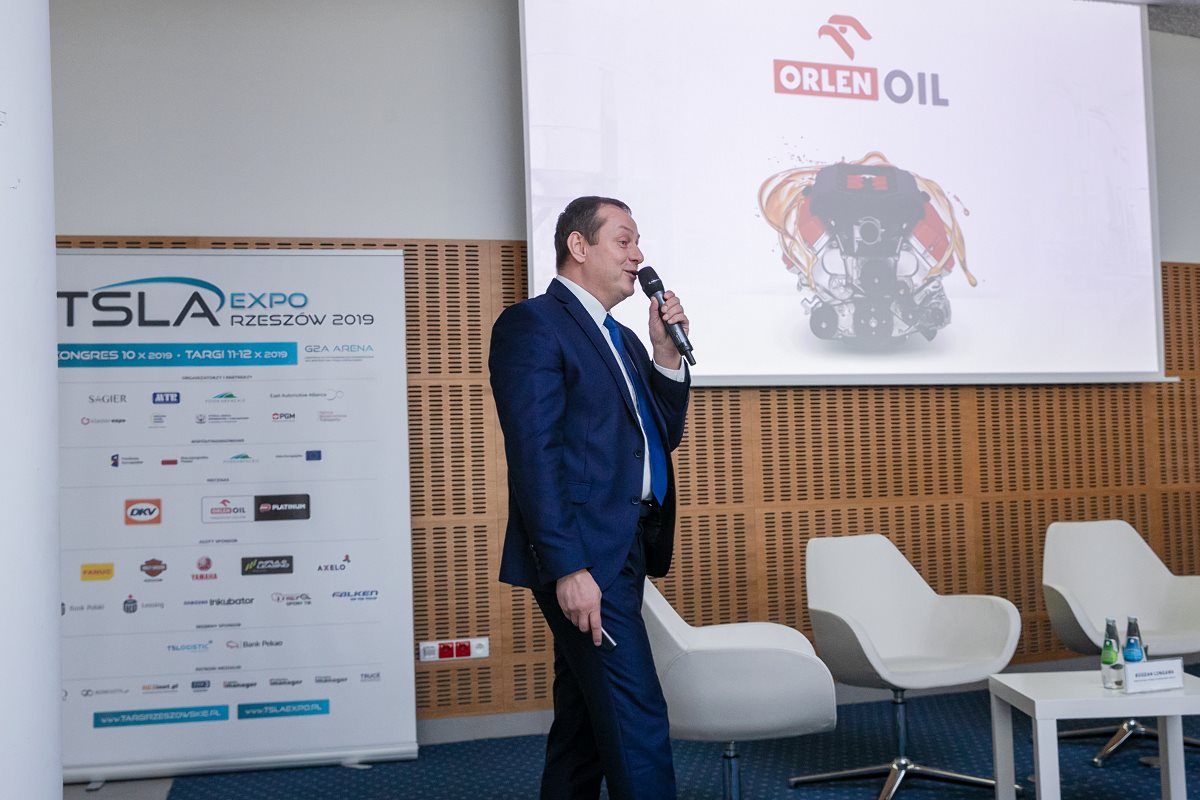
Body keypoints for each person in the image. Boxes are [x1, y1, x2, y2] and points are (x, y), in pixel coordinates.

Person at [489, 196, 691, 799]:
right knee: (636, 718)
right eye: (624, 241)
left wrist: (665, 355)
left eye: (638, 242)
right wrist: (569, 569)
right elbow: (535, 457)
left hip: (625, 544)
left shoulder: (622, 338)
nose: (639, 255)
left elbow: (660, 434)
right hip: (585, 557)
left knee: (584, 726)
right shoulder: (533, 325)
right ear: (579, 246)